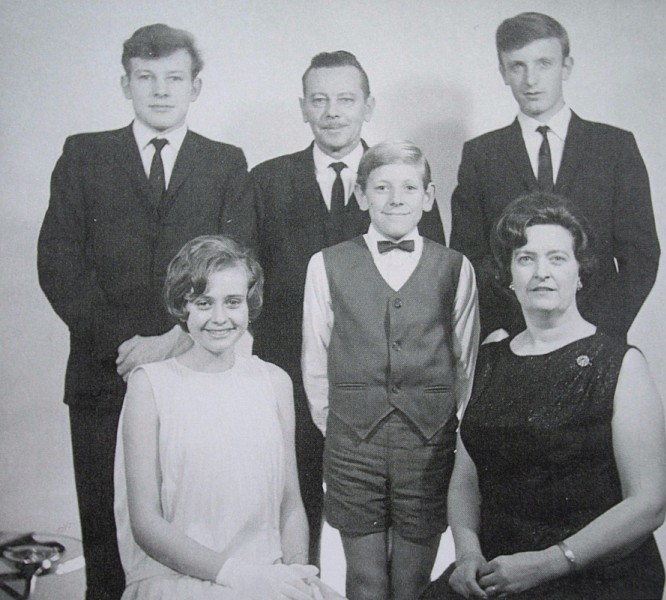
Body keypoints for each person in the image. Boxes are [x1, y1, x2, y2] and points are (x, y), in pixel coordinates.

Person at [37, 24, 252, 599]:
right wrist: (129, 347)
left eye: (174, 78)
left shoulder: (225, 162)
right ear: (125, 84)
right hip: (103, 376)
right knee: (107, 547)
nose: (160, 91)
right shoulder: (84, 154)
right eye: (146, 78)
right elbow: (58, 264)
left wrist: (169, 341)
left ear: (196, 86)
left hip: (193, 374)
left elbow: (241, 266)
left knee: (190, 535)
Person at [247, 50, 445, 564]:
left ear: (368, 105)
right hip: (291, 374)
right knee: (293, 512)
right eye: (320, 100)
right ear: (303, 108)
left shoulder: (399, 178)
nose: (333, 112)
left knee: (387, 533)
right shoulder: (266, 180)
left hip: (387, 389)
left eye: (346, 99)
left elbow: (434, 281)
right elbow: (249, 279)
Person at [423, 192, 666, 600]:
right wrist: (466, 553)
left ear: (580, 273)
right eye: (525, 258)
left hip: (591, 571)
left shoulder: (620, 364)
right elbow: (466, 481)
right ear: (508, 275)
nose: (542, 272)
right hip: (498, 570)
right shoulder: (488, 359)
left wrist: (551, 562)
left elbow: (649, 503)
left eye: (557, 258)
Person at [114, 235, 344, 600]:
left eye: (233, 302)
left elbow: (290, 504)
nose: (219, 318)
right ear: (182, 307)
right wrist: (238, 577)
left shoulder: (274, 382)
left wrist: (296, 575)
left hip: (267, 577)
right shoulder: (150, 385)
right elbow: (146, 524)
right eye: (204, 303)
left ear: (249, 306)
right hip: (177, 581)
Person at [302, 141, 479, 600]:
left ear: (428, 195)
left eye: (408, 187)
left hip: (427, 443)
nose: (395, 198)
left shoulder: (455, 267)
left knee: (411, 582)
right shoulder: (325, 264)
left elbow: (465, 360)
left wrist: (443, 423)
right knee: (364, 580)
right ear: (361, 195)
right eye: (381, 187)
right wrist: (341, 425)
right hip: (352, 444)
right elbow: (315, 358)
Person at [450, 12, 660, 343]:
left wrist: (601, 332)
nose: (530, 79)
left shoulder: (614, 146)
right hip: (512, 341)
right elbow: (468, 257)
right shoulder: (482, 155)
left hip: (597, 339)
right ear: (503, 72)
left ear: (566, 67)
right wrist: (499, 329)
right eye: (517, 66)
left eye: (544, 63)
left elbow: (641, 256)